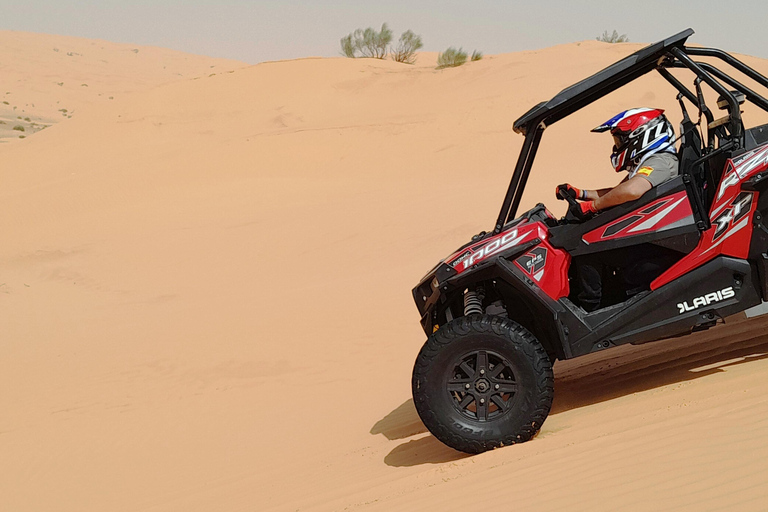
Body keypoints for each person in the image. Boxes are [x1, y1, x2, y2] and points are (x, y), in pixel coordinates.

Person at [556, 108, 680, 311]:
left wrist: (593, 206)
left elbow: (631, 191)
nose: (618, 147)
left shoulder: (661, 162)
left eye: (620, 141)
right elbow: (618, 191)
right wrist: (581, 193)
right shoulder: (648, 162)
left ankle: (589, 308)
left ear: (643, 136)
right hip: (645, 231)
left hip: (656, 241)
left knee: (584, 244)